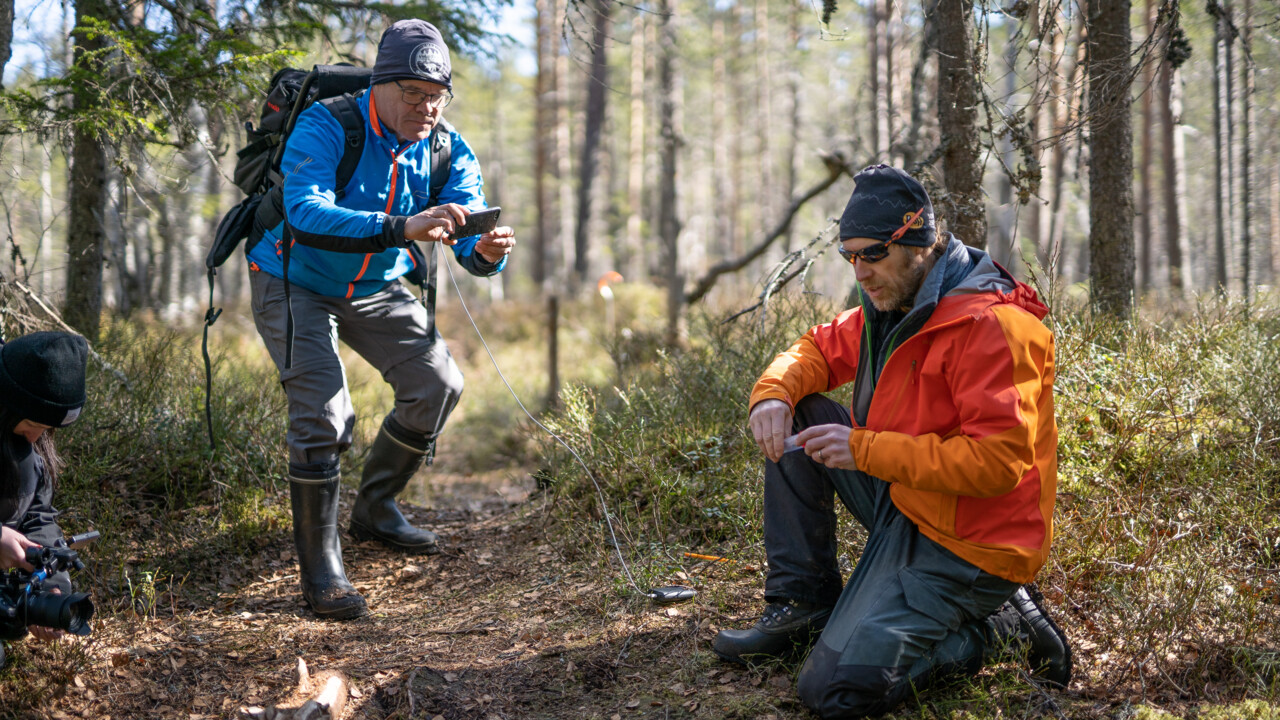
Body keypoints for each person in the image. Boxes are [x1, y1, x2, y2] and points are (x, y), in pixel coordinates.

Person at [713, 165, 1070, 717]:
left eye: (873, 255)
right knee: (800, 413)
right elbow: (816, 349)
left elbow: (997, 465)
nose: (861, 272)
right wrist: (772, 395)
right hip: (910, 501)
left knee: (833, 693)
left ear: (918, 242)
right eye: (849, 256)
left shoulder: (993, 326)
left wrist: (863, 450)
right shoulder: (891, 308)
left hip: (972, 546)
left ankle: (1004, 630)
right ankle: (802, 604)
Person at [245, 19, 517, 620]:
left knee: (437, 385)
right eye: (412, 94)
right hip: (291, 276)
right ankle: (322, 573)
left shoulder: (447, 148)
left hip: (375, 284)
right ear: (380, 86)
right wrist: (401, 227)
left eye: (437, 96)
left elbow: (465, 230)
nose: (426, 108)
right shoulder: (328, 124)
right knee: (324, 415)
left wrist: (485, 252)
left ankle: (375, 508)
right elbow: (304, 211)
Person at [0, 331, 89, 657]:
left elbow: (39, 515)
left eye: (47, 428)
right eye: (31, 423)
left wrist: (52, 587)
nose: (37, 436)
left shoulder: (27, 447)